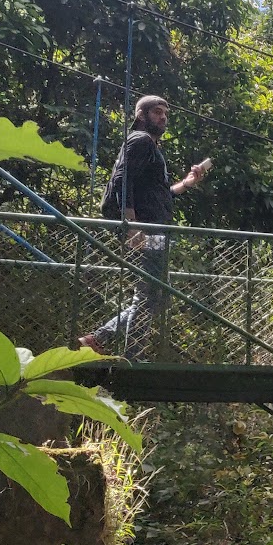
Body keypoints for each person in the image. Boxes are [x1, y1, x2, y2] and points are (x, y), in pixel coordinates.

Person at [81, 95, 210, 355]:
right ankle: (129, 356)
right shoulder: (140, 141)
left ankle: (99, 338)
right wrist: (131, 224)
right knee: (149, 294)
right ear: (141, 115)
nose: (163, 118)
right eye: (157, 112)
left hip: (154, 228)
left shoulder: (151, 148)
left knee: (153, 295)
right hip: (146, 229)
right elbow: (121, 179)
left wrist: (187, 183)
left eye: (165, 114)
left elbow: (160, 194)